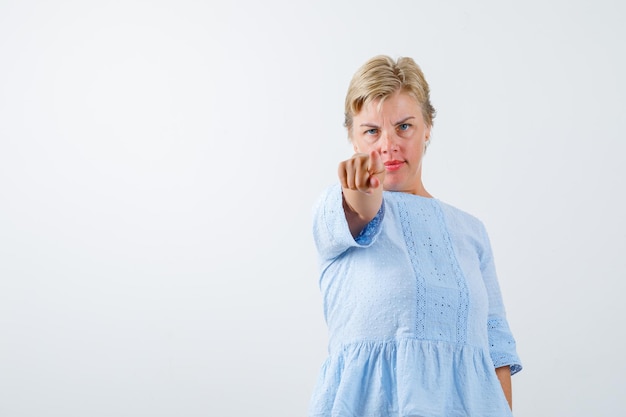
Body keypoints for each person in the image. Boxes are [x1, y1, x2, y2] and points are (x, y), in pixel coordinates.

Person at [309, 55, 522, 417]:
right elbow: (363, 205)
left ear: (427, 127)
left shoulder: (472, 232)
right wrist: (362, 188)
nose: (388, 145)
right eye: (371, 131)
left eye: (404, 127)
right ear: (352, 138)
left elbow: (496, 349)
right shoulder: (337, 209)